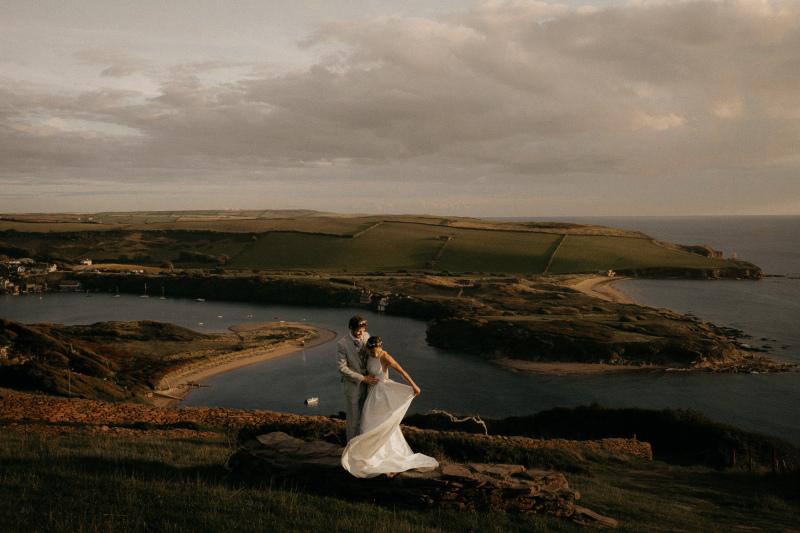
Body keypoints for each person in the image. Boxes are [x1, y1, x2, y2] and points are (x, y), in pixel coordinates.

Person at [341, 336, 439, 478]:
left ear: (380, 348)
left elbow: (401, 371)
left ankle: (380, 454)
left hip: (381, 394)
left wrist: (414, 385)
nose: (373, 354)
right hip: (371, 393)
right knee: (367, 424)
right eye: (372, 352)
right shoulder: (368, 354)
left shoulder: (385, 356)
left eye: (376, 352)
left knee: (380, 423)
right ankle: (369, 454)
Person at [336, 315, 378, 442]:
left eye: (363, 330)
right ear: (351, 328)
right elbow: (342, 368)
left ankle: (362, 448)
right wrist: (363, 378)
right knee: (353, 420)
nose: (362, 333)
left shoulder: (366, 336)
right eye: (359, 331)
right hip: (353, 386)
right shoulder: (342, 344)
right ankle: (350, 451)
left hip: (369, 385)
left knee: (366, 418)